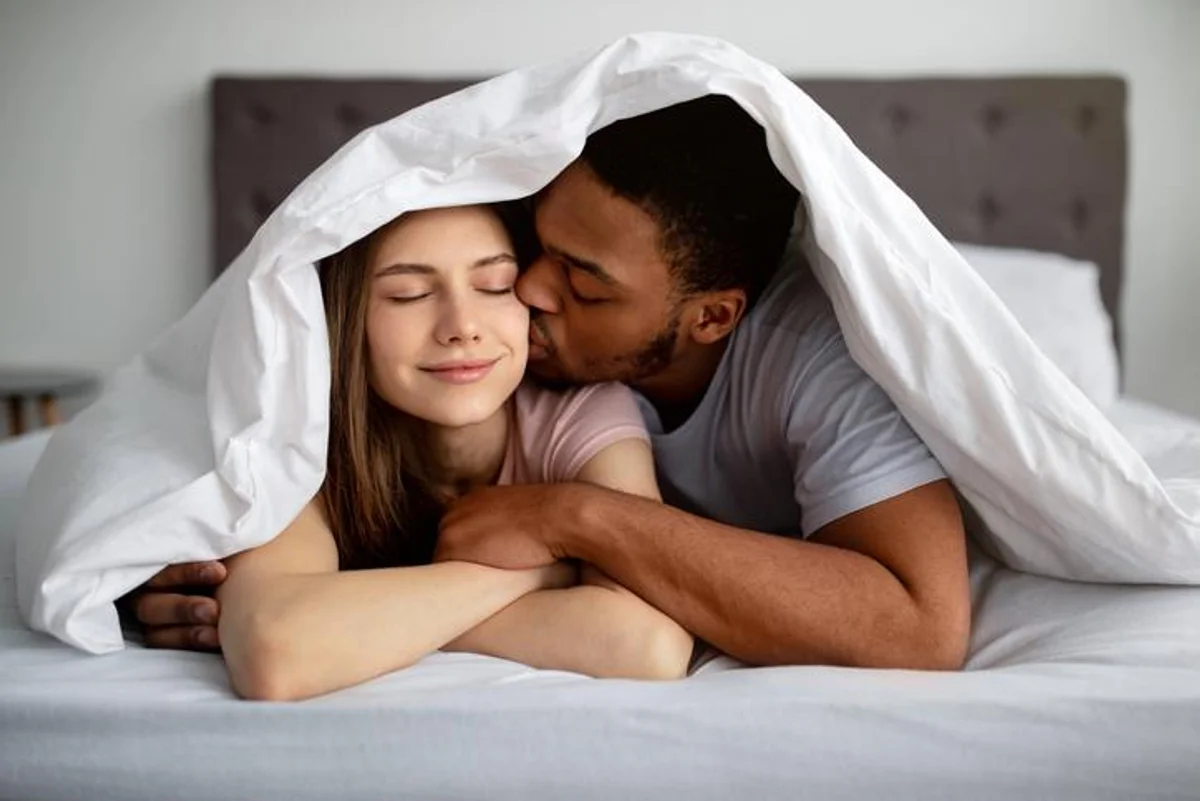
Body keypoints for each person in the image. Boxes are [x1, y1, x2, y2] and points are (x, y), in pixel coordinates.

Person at [132, 95, 971, 671]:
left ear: (710, 318)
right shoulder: (408, 371)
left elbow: (922, 628)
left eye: (583, 282)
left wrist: (573, 520)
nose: (526, 293)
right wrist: (151, 551)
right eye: (533, 250)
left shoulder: (810, 360)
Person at [180, 202, 693, 701]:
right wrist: (538, 575)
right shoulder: (304, 434)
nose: (462, 326)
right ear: (343, 318)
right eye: (410, 294)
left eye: (494, 286)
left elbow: (650, 646)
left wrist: (366, 625)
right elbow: (276, 652)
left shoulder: (582, 412)